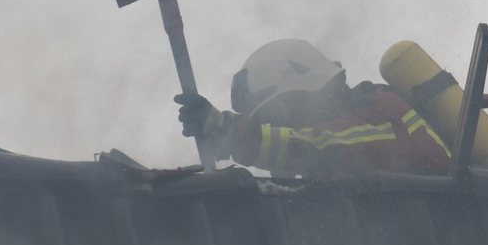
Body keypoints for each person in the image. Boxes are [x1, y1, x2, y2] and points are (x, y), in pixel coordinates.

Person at [175, 39, 453, 176]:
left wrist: (228, 131)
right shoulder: (365, 115)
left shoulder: (383, 114)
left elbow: (317, 146)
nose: (279, 128)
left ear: (303, 94)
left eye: (277, 116)